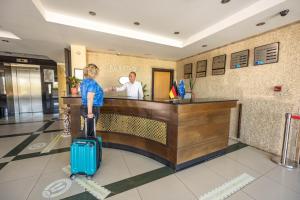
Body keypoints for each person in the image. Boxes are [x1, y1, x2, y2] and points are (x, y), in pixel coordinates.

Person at [80, 63, 111, 136]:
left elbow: (94, 92)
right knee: (90, 131)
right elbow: (90, 98)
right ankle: (87, 146)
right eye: (96, 72)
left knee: (87, 129)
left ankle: (86, 145)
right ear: (93, 72)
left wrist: (107, 89)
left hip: (85, 106)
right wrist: (90, 112)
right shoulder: (92, 83)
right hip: (92, 108)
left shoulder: (84, 82)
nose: (97, 74)